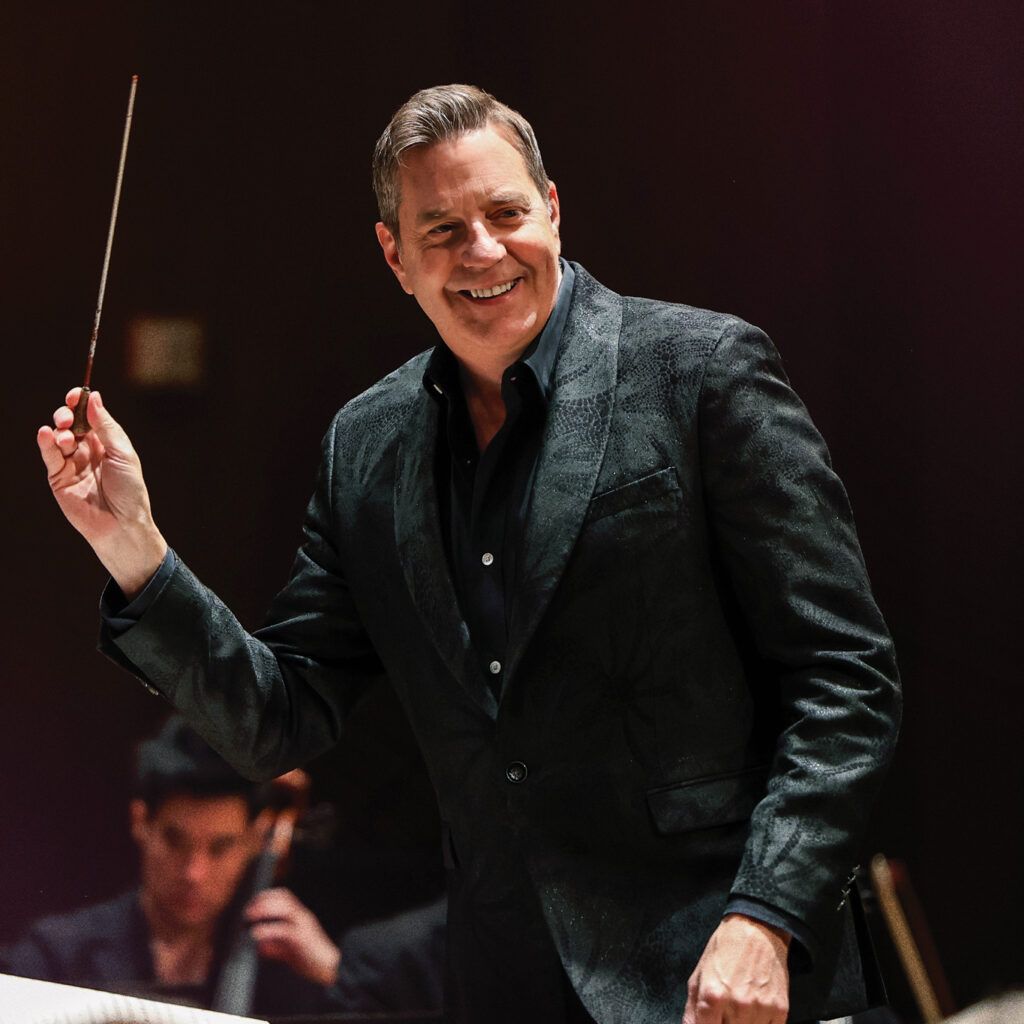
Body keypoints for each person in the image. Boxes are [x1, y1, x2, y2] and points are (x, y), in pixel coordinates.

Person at [37, 84, 901, 1024]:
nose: (483, 251)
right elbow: (276, 721)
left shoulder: (703, 373)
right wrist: (133, 545)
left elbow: (845, 679)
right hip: (506, 984)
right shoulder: (365, 445)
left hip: (727, 973)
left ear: (553, 209)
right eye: (442, 230)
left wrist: (765, 916)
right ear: (394, 256)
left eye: (506, 213)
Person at [0, 717, 342, 1014]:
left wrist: (335, 974)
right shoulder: (56, 955)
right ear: (141, 822)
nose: (194, 873)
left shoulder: (288, 972)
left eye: (220, 847)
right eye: (175, 841)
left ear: (256, 839)